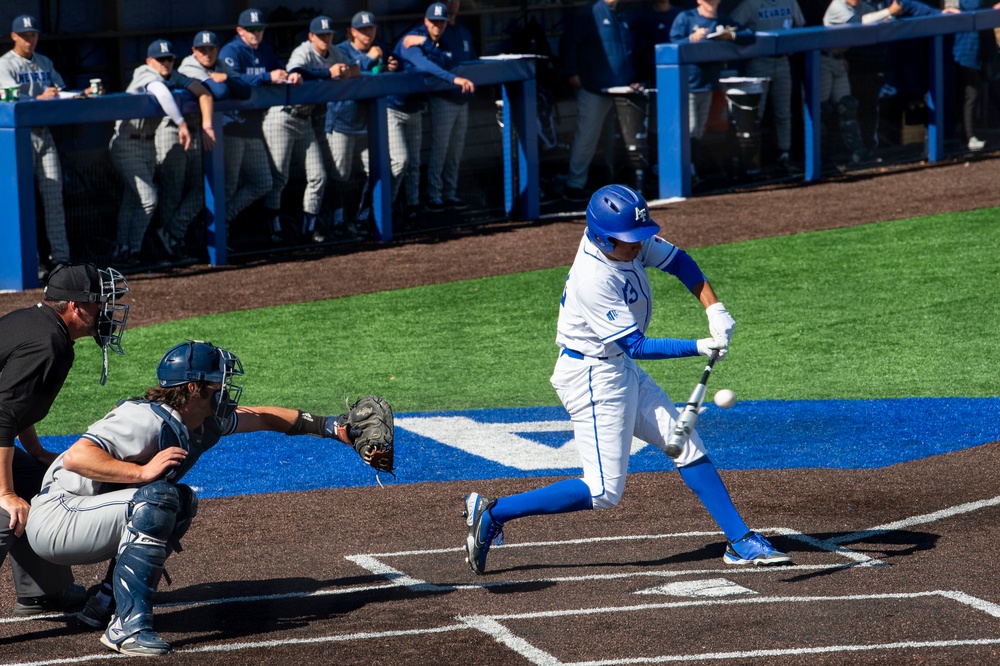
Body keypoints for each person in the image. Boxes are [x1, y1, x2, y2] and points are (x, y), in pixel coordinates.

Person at [463, 185, 792, 575]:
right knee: (603, 491)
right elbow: (635, 345)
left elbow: (679, 261)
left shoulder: (624, 239)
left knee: (683, 442)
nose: (638, 246)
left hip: (616, 367)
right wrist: (698, 346)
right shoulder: (593, 278)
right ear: (603, 238)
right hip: (592, 376)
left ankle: (740, 542)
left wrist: (714, 309)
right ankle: (494, 512)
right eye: (629, 242)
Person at [26, 340, 374, 656]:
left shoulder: (203, 420)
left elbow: (265, 416)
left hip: (89, 517)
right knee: (157, 500)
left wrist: (334, 429)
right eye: (219, 382)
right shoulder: (143, 419)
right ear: (194, 387)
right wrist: (141, 473)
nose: (227, 390)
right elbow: (76, 457)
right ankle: (126, 630)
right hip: (59, 517)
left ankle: (104, 603)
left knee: (178, 502)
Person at [0, 263, 129, 615]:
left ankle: (43, 590)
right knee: (6, 513)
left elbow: (16, 403)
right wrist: (6, 493)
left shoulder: (40, 326)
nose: (107, 310)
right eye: (101, 302)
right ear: (76, 306)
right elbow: (3, 415)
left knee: (43, 482)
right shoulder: (47, 343)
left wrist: (36, 451)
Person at [0, 15, 96, 275]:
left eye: (33, 34)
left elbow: (60, 90)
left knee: (54, 198)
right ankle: (30, 261)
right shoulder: (4, 64)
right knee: (22, 201)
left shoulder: (44, 62)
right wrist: (40, 97)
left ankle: (60, 260)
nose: (30, 39)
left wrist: (80, 94)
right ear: (14, 36)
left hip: (45, 136)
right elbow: (11, 102)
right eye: (25, 35)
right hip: (17, 138)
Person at [109, 39, 217, 268]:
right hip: (128, 142)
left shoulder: (171, 75)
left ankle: (123, 249)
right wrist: (181, 123)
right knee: (149, 199)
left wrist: (206, 122)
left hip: (147, 143)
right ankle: (133, 249)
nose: (165, 63)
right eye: (160, 59)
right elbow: (159, 90)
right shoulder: (145, 72)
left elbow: (202, 91)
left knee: (132, 199)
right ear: (150, 61)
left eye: (169, 58)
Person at [154, 31, 252, 260]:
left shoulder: (219, 65)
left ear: (218, 49)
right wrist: (225, 81)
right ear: (194, 51)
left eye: (211, 49)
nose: (208, 54)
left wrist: (226, 77)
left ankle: (171, 235)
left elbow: (245, 91)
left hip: (196, 132)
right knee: (173, 188)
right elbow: (216, 92)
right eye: (202, 50)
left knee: (202, 186)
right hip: (173, 130)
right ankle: (167, 244)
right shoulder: (189, 66)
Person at [822, 0, 957, 163]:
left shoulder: (860, 6)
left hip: (839, 59)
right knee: (822, 110)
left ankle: (859, 154)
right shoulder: (838, 6)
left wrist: (938, 13)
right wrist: (888, 12)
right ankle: (820, 157)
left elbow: (893, 12)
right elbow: (859, 23)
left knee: (848, 107)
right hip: (821, 60)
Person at [262, 15, 358, 245]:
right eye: (320, 35)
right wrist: (329, 74)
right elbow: (295, 73)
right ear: (311, 36)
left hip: (304, 121)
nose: (325, 38)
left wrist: (345, 72)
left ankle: (309, 228)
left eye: (329, 34)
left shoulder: (334, 52)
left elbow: (356, 69)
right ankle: (273, 229)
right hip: (282, 118)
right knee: (279, 178)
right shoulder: (303, 51)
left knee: (319, 176)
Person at [387, 2, 476, 224]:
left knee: (414, 163)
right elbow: (425, 65)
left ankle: (412, 206)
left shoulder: (435, 42)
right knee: (401, 161)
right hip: (393, 107)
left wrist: (429, 43)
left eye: (441, 22)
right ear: (426, 21)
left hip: (415, 107)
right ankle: (386, 205)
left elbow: (444, 61)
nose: (437, 26)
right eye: (433, 22)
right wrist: (454, 79)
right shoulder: (412, 39)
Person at [560, 0, 648, 203]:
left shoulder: (624, 14)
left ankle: (612, 185)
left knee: (615, 140)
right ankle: (574, 185)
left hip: (622, 89)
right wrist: (571, 72)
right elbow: (569, 42)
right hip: (594, 87)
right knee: (587, 137)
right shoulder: (588, 13)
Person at [327, 11, 401, 234]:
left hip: (369, 124)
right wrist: (370, 59)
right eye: (362, 29)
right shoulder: (340, 50)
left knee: (381, 169)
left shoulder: (380, 49)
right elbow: (350, 71)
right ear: (352, 31)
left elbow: (389, 69)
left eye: (370, 28)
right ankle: (336, 219)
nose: (367, 33)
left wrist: (390, 66)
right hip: (341, 122)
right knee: (340, 175)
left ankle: (365, 215)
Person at [219, 8, 288, 238]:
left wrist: (289, 74)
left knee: (264, 182)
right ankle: (216, 230)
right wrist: (267, 77)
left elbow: (280, 71)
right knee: (228, 185)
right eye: (251, 29)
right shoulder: (231, 50)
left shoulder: (266, 51)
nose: (256, 33)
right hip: (231, 127)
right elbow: (234, 80)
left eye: (259, 29)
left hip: (253, 128)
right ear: (240, 30)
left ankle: (225, 218)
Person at [671, 0, 755, 181]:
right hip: (688, 84)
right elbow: (671, 44)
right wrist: (691, 39)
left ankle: (692, 171)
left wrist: (730, 36)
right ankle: (686, 172)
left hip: (708, 83)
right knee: (690, 129)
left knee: (699, 130)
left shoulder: (722, 19)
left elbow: (749, 35)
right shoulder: (686, 17)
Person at [730, 0, 806, 170]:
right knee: (756, 114)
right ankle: (751, 160)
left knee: (784, 112)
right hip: (758, 61)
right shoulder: (750, 5)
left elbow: (801, 27)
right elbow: (730, 27)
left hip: (783, 61)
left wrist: (793, 43)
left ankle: (784, 154)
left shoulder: (790, 2)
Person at [424, 0, 476, 213]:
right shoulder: (435, 35)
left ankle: (449, 193)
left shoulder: (463, 32)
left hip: (462, 100)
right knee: (441, 150)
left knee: (455, 151)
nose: (452, 3)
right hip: (443, 99)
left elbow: (473, 62)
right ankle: (434, 196)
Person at [945, 0, 1000, 152]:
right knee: (971, 92)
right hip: (965, 46)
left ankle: (969, 134)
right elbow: (972, 6)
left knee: (980, 89)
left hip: (982, 45)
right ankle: (968, 136)